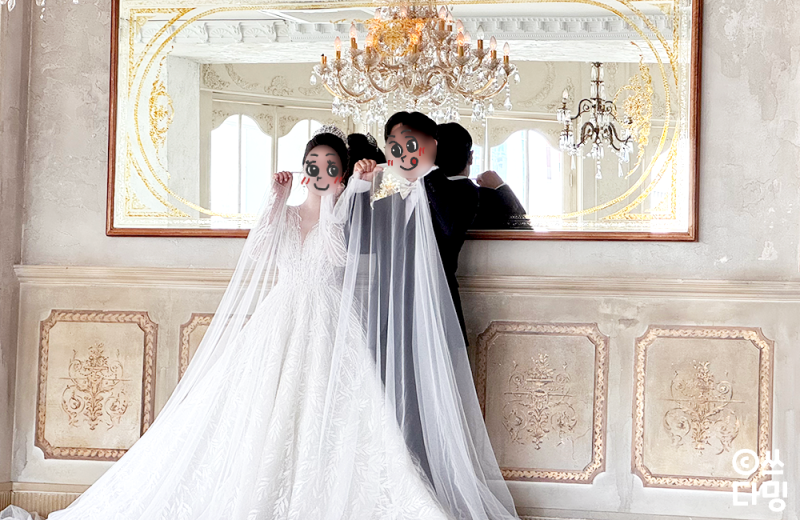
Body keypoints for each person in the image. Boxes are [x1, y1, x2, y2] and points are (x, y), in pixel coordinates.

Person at [46, 127, 449, 520]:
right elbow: (258, 252)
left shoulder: (341, 215)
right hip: (280, 316)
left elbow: (337, 256)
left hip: (327, 320)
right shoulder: (286, 215)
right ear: (304, 170)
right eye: (313, 164)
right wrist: (276, 199)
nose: (321, 172)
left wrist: (333, 203)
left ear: (340, 175)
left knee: (327, 409)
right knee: (258, 407)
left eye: (330, 166)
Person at [340, 112, 518, 520]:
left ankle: (431, 492)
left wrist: (425, 172)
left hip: (436, 317)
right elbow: (355, 241)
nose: (403, 152)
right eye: (396, 144)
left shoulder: (460, 189)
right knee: (386, 406)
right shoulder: (384, 187)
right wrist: (358, 185)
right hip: (387, 314)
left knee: (432, 410)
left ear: (432, 146)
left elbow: (451, 226)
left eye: (413, 143)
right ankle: (391, 490)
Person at [434, 122, 480, 341]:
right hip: (439, 291)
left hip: (439, 292)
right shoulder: (473, 192)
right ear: (470, 157)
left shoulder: (465, 191)